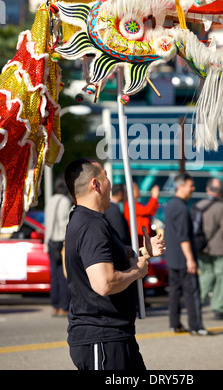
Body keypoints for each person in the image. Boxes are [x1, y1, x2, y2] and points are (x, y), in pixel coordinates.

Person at [64, 157, 164, 370]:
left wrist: (145, 252)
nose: (110, 183)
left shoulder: (93, 221)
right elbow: (104, 283)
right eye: (106, 177)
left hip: (116, 334)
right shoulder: (90, 225)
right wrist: (137, 271)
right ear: (95, 184)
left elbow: (110, 258)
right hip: (102, 338)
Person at [164, 172, 208, 336]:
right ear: (181, 187)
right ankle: (196, 326)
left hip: (172, 258)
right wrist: (190, 259)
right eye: (191, 186)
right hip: (183, 258)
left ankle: (174, 324)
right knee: (192, 292)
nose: (193, 189)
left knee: (175, 292)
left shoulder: (170, 205)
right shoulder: (182, 208)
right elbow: (184, 237)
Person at [193, 178, 223, 320]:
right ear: (221, 191)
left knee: (205, 275)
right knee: (222, 278)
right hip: (221, 248)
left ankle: (197, 303)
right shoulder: (222, 207)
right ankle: (219, 308)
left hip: (202, 247)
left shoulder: (198, 205)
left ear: (207, 189)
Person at [45, 177, 71, 317]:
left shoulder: (50, 200)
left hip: (50, 241)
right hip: (61, 241)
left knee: (54, 276)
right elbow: (65, 222)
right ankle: (63, 306)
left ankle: (54, 305)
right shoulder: (65, 201)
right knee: (64, 276)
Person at [124, 182, 159, 247]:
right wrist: (154, 197)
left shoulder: (134, 203)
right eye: (137, 189)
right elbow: (147, 210)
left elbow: (150, 212)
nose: (139, 191)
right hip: (139, 239)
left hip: (143, 238)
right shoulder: (130, 204)